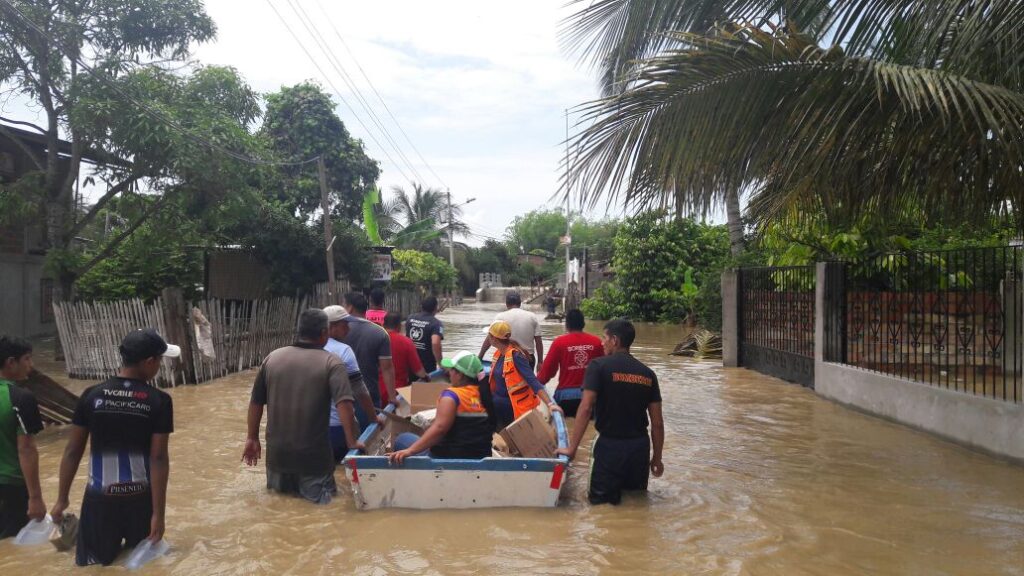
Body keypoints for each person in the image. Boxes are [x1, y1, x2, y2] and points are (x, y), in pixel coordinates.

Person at [50, 329, 177, 566]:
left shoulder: (91, 396)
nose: (160, 365)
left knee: (94, 566)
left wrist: (61, 499)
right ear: (149, 362)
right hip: (140, 502)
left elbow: (72, 451)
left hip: (99, 501)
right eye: (160, 360)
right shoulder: (159, 401)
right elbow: (158, 459)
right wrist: (158, 515)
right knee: (144, 566)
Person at [243, 309, 361, 505]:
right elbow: (344, 405)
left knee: (278, 508)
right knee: (321, 514)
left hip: (277, 458)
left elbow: (256, 402)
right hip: (313, 460)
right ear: (325, 333)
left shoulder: (272, 358)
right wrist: (352, 442)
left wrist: (252, 438)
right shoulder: (331, 363)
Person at [557, 319, 665, 505]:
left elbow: (586, 408)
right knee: (636, 504)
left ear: (614, 340)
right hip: (639, 449)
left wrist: (572, 448)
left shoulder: (598, 366)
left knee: (601, 506)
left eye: (605, 337)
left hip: (609, 447)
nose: (602, 342)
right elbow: (657, 423)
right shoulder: (647, 374)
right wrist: (657, 458)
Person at [388, 351, 494, 462]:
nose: (449, 373)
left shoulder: (451, 396)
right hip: (480, 457)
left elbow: (440, 429)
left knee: (402, 438)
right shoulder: (484, 394)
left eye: (452, 370)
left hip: (447, 460)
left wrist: (410, 451)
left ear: (460, 374)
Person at [0, 336, 45, 540]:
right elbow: (26, 450)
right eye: (27, 359)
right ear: (11, 362)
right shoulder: (20, 398)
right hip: (10, 488)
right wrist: (35, 498)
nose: (31, 365)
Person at [323, 306, 380, 462]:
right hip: (337, 428)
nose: (348, 328)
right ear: (331, 327)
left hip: (312, 429)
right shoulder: (343, 351)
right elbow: (360, 390)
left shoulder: (310, 349)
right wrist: (374, 418)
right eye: (344, 324)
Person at [485, 321, 561, 430]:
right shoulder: (498, 354)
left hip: (512, 408)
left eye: (489, 335)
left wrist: (549, 404)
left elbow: (533, 381)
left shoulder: (516, 356)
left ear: (494, 339)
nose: (487, 338)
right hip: (497, 406)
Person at [537, 309, 604, 417]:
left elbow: (547, 372)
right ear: (583, 324)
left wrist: (537, 382)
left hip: (565, 397)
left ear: (567, 325)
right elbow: (604, 370)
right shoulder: (597, 342)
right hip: (591, 396)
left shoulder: (559, 342)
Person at [343, 292, 397, 409]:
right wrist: (392, 397)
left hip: (342, 395)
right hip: (369, 394)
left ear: (350, 308)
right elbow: (387, 368)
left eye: (344, 305)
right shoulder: (380, 333)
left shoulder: (338, 330)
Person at [479, 291, 543, 367]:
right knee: (527, 378)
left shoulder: (499, 317)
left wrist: (480, 357)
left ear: (506, 304)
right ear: (520, 303)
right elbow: (538, 342)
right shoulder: (532, 317)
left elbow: (489, 339)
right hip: (528, 358)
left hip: (506, 357)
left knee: (506, 378)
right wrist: (540, 362)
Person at [382, 312, 428, 397]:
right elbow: (418, 370)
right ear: (399, 326)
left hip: (374, 390)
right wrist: (426, 377)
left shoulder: (375, 339)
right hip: (397, 391)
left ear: (383, 325)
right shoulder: (406, 342)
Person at [406, 296, 444, 373]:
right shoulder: (436, 323)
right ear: (435, 308)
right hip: (427, 365)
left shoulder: (410, 318)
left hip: (409, 362)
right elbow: (435, 342)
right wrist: (440, 364)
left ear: (421, 306)